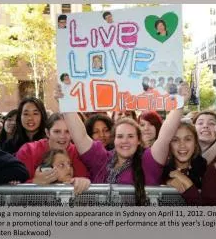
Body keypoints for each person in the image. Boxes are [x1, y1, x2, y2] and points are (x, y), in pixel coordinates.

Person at [61, 82, 191, 205]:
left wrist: (180, 103)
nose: (125, 141)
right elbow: (80, 136)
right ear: (114, 139)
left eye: (130, 136)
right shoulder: (101, 158)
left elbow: (164, 136)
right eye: (120, 136)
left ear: (139, 140)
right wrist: (65, 101)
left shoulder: (149, 160)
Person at [16, 112, 89, 184]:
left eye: (67, 131)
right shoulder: (28, 151)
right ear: (47, 133)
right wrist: (35, 182)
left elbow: (84, 178)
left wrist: (80, 182)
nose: (62, 136)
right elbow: (15, 185)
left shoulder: (77, 152)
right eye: (57, 131)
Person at [162, 122, 216, 206]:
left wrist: (186, 182)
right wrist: (166, 183)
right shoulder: (161, 171)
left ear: (195, 144)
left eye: (188, 139)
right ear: (169, 144)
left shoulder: (208, 171)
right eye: (175, 140)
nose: (182, 145)